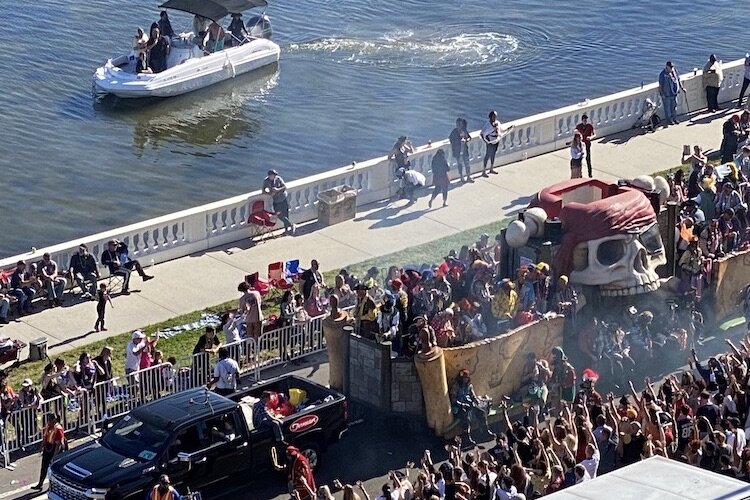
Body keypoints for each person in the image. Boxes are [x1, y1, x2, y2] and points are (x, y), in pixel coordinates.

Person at [452, 369, 494, 446]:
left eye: (466, 378)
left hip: (470, 404)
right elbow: (453, 399)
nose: (465, 380)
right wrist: (462, 404)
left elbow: (472, 395)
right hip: (459, 407)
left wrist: (475, 399)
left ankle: (485, 431)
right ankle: (467, 438)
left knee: (481, 412)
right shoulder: (456, 386)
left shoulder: (469, 386)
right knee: (465, 418)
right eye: (463, 378)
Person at [32, 413, 65, 490]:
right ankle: (40, 484)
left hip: (54, 449)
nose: (48, 421)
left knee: (52, 470)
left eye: (50, 419)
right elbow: (45, 437)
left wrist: (55, 456)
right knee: (43, 467)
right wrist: (42, 447)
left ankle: (52, 486)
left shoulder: (58, 428)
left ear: (54, 420)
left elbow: (59, 444)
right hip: (47, 448)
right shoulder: (48, 426)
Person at [480, 110, 514, 176]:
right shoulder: (487, 125)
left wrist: (509, 128)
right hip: (490, 141)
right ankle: (484, 171)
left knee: (493, 154)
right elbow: (482, 134)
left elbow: (501, 130)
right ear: (490, 117)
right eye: (494, 116)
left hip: (496, 140)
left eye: (496, 116)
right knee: (488, 155)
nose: (495, 117)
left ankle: (491, 169)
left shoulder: (497, 123)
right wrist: (486, 141)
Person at [262, 169, 295, 234]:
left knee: (285, 213)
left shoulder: (278, 179)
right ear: (269, 176)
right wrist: (270, 193)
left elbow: (284, 187)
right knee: (278, 214)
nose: (274, 176)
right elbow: (263, 191)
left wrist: (277, 190)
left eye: (275, 175)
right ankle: (291, 225)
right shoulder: (266, 181)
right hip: (276, 200)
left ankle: (286, 229)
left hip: (283, 198)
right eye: (273, 175)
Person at [659, 61, 683, 125]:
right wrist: (662, 94)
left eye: (672, 67)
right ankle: (669, 120)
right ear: (667, 66)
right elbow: (660, 86)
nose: (671, 68)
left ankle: (674, 118)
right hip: (667, 94)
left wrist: (682, 88)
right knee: (667, 109)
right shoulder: (662, 74)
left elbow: (678, 80)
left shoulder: (674, 71)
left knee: (674, 107)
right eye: (670, 67)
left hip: (674, 93)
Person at [449, 117, 472, 182]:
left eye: (460, 124)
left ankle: (468, 176)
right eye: (458, 124)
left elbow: (469, 137)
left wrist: (466, 140)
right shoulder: (454, 132)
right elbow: (451, 140)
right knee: (460, 165)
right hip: (458, 152)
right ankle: (461, 177)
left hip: (465, 151)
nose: (459, 125)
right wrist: (459, 141)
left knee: (467, 164)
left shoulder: (464, 131)